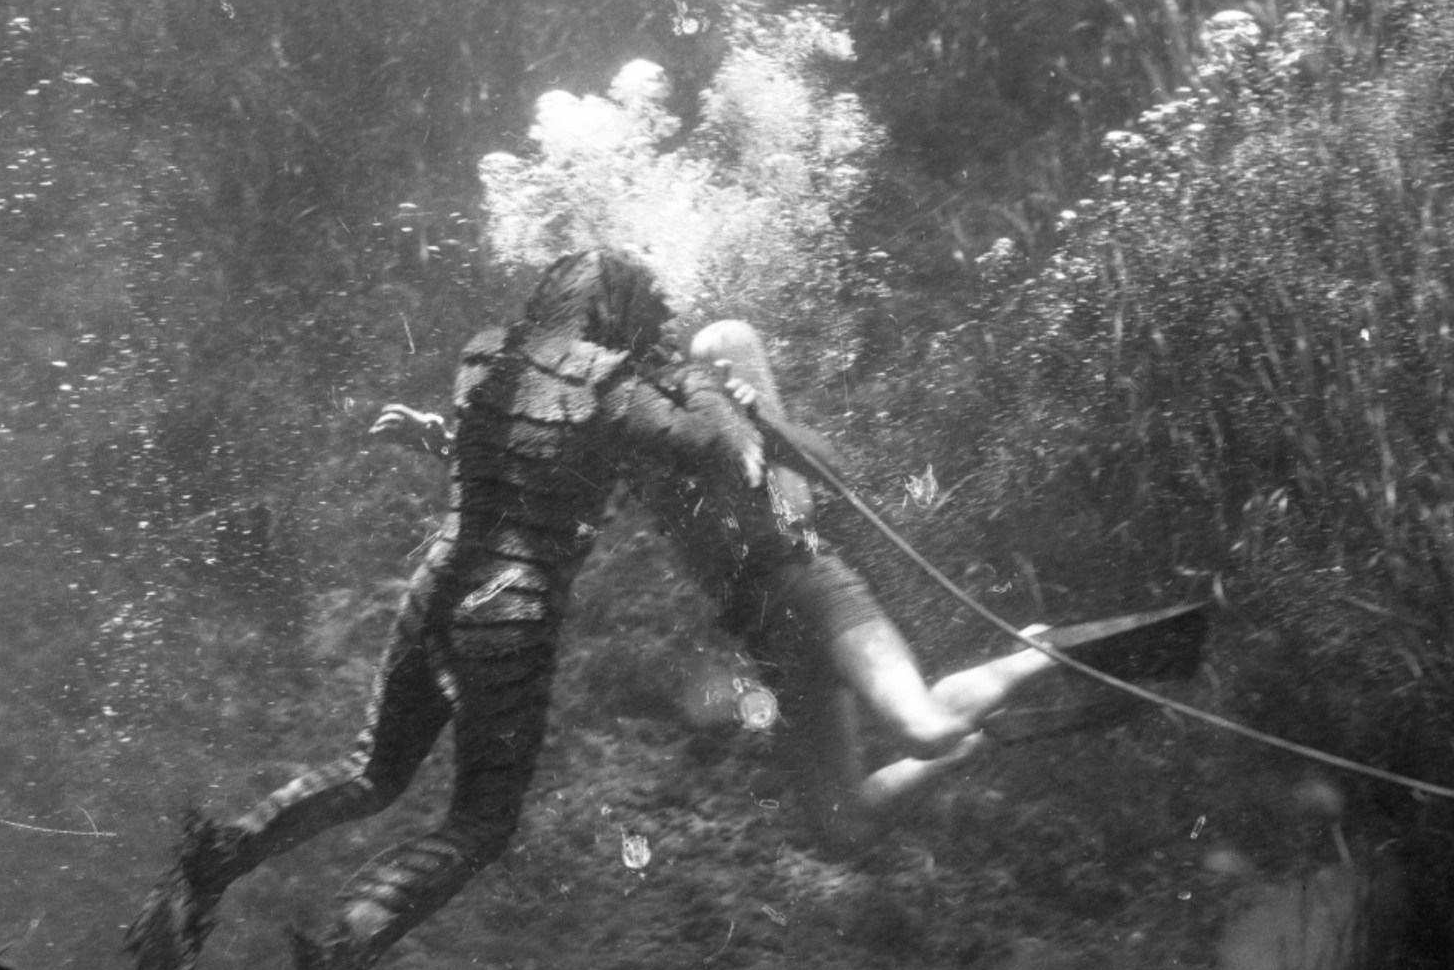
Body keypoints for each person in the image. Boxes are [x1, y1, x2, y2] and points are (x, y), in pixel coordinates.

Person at [125, 252, 764, 970]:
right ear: (613, 311)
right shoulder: (609, 384)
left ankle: (215, 859)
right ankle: (346, 945)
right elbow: (718, 450)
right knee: (481, 821)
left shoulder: (484, 350)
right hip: (511, 613)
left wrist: (439, 436)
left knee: (371, 772)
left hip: (437, 587)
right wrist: (703, 385)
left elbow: (512, 445)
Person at [374, 319, 1073, 842]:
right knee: (842, 825)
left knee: (920, 727)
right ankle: (982, 736)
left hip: (812, 586)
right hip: (765, 631)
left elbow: (817, 475)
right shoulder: (626, 432)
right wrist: (445, 443)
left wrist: (757, 417)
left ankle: (1038, 652)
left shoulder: (711, 388)